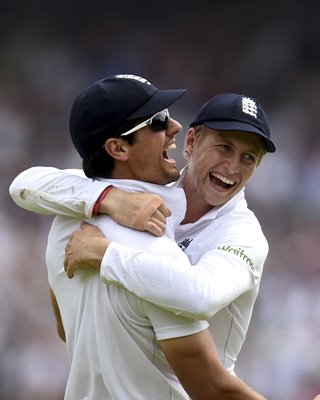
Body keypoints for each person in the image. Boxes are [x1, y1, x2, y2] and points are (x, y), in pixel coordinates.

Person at [10, 74, 269, 399]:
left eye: (249, 158)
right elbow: (210, 387)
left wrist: (106, 254)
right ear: (191, 143)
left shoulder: (69, 221)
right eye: (224, 148)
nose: (233, 167)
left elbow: (198, 295)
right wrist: (111, 199)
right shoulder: (152, 244)